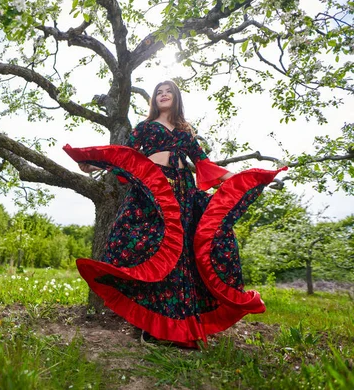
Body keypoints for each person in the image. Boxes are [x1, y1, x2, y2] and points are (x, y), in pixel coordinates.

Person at [64, 80, 286, 348]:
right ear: (154, 100)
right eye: (159, 92)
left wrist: (247, 180)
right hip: (152, 194)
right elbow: (125, 157)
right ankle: (153, 329)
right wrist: (93, 164)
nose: (163, 94)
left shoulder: (185, 132)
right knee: (155, 252)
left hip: (182, 191)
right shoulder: (144, 128)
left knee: (182, 258)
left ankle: (180, 331)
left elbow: (206, 165)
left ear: (176, 98)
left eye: (168, 91)